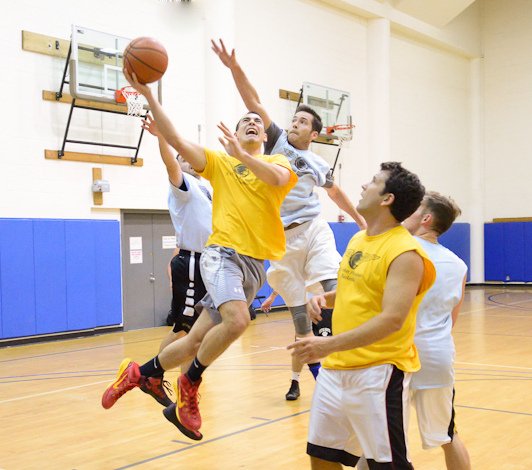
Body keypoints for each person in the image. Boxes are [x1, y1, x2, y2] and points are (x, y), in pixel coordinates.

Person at [101, 69, 297, 441]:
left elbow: (274, 181)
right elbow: (174, 140)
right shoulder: (219, 164)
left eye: (258, 120)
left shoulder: (280, 164)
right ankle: (189, 387)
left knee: (192, 341)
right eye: (245, 122)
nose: (253, 123)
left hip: (254, 265)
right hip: (221, 256)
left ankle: (142, 373)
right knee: (238, 320)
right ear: (233, 136)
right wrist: (148, 95)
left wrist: (243, 154)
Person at [212, 39, 367, 401]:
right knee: (301, 322)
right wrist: (234, 68)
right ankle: (302, 378)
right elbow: (253, 102)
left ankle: (347, 362)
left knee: (333, 288)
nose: (294, 124)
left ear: (314, 134)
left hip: (313, 230)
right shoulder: (277, 143)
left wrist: (361, 221)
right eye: (293, 119)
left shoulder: (319, 164)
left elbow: (335, 194)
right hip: (280, 241)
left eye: (302, 122)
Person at [288, 162, 436, 469]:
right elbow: (354, 289)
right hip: (335, 369)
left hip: (378, 372)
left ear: (386, 199)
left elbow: (392, 319)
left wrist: (326, 345)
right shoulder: (358, 239)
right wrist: (323, 299)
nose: (363, 185)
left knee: (387, 464)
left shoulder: (406, 254)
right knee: (321, 454)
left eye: (372, 182)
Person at [137, 115, 212, 408]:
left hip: (207, 264)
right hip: (192, 263)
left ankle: (184, 390)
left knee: (194, 333)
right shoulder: (182, 185)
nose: (188, 160)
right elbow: (170, 163)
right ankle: (152, 375)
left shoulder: (207, 188)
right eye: (183, 157)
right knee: (183, 330)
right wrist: (161, 138)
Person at [402, 191, 471, 470]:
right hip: (437, 355)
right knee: (448, 434)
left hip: (397, 353)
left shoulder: (400, 251)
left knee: (385, 441)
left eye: (414, 209)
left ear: (426, 219)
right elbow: (451, 320)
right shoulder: (458, 264)